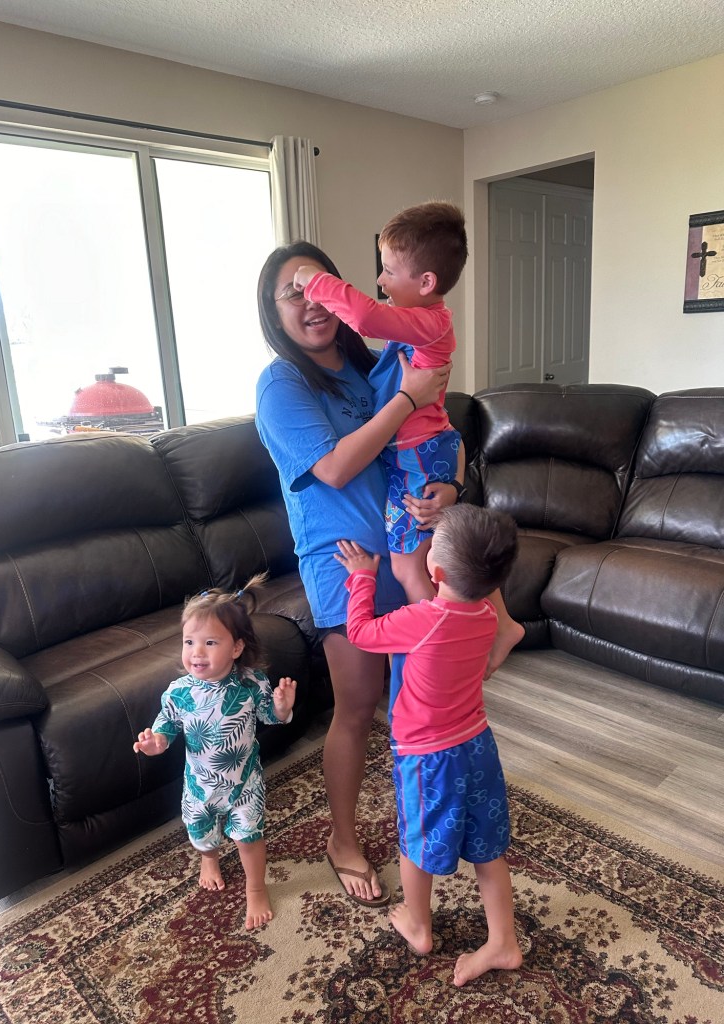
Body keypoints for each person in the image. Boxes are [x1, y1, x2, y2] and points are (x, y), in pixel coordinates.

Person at [255, 240, 456, 907]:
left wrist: (450, 486)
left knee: (417, 706)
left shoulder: (369, 363)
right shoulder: (281, 384)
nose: (309, 304)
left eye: (317, 288)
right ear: (272, 310)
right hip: (343, 564)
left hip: (406, 550)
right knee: (358, 704)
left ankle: (419, 821)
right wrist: (404, 401)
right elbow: (336, 468)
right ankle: (342, 839)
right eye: (291, 294)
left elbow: (434, 432)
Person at [335, 503, 523, 987]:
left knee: (416, 842)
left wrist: (362, 578)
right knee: (487, 848)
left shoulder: (422, 619)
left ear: (434, 572)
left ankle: (419, 925)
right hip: (477, 746)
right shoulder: (486, 614)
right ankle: (503, 941)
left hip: (427, 759)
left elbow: (360, 632)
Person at [291, 201, 466, 606]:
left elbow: (365, 317)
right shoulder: (420, 324)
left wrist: (315, 282)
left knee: (411, 567)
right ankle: (476, 626)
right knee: (440, 558)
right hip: (420, 452)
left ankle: (438, 633)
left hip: (417, 453)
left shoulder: (429, 323)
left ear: (426, 282)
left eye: (388, 270)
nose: (380, 281)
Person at [132, 575, 296, 931]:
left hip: (244, 784)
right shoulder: (179, 692)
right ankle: (209, 858)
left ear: (236, 648)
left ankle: (256, 888)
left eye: (210, 642)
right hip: (199, 786)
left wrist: (282, 708)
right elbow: (166, 726)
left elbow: (270, 716)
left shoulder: (251, 683)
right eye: (189, 641)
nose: (197, 652)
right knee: (201, 833)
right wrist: (156, 743)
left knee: (249, 837)